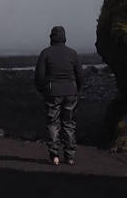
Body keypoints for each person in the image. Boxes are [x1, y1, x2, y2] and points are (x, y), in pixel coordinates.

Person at [34, 25, 87, 166]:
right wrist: (77, 89)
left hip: (53, 92)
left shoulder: (46, 53)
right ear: (64, 37)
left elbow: (39, 75)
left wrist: (42, 89)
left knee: (53, 123)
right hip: (70, 92)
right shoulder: (73, 53)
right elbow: (80, 75)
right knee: (69, 123)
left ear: (51, 37)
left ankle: (54, 155)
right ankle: (70, 156)